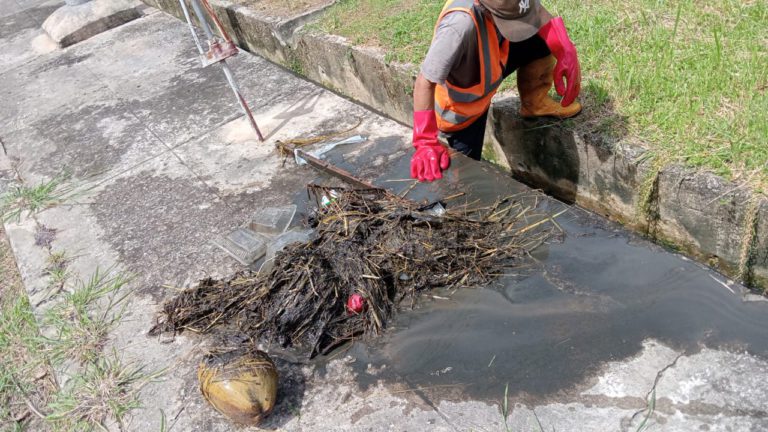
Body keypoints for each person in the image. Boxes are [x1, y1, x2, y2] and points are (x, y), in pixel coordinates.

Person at [410, 0, 582, 182]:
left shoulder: (511, 3)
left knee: (539, 38)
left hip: (492, 66)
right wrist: (425, 141)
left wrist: (565, 49)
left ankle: (535, 104)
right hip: (462, 111)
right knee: (464, 181)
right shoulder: (458, 26)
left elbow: (537, 13)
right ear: (484, 8)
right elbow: (424, 82)